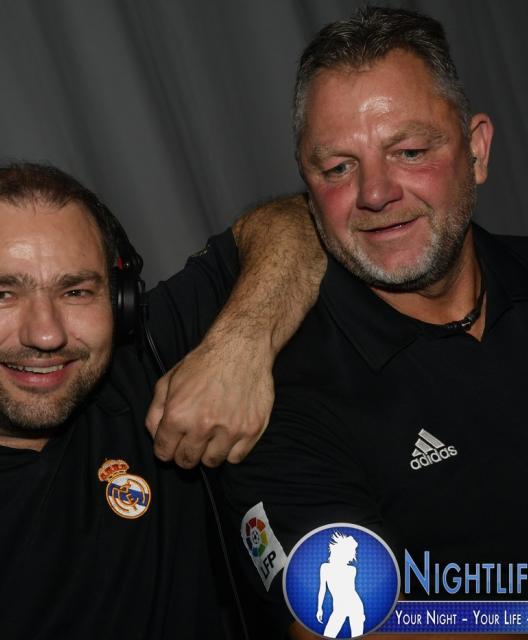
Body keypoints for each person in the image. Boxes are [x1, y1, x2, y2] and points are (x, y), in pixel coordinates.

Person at [0, 163, 324, 639]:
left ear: (122, 302)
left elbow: (300, 221)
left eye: (76, 291)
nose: (47, 334)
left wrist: (242, 346)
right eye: (0, 294)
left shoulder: (150, 361)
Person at [219, 6, 528, 639]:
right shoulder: (282, 396)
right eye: (338, 167)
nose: (376, 192)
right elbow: (346, 626)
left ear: (476, 151)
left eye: (409, 151)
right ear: (307, 188)